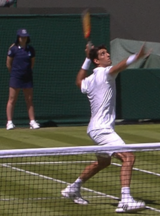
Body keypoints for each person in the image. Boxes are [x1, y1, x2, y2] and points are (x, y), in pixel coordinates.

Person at [61, 43, 149, 213]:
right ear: (97, 60)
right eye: (103, 54)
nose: (108, 55)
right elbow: (119, 66)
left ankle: (73, 188)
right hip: (102, 130)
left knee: (103, 162)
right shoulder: (104, 73)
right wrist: (135, 57)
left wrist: (86, 59)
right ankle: (125, 200)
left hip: (95, 129)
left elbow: (78, 81)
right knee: (128, 158)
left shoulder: (90, 79)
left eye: (107, 53)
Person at [6, 28, 40, 130]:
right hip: (15, 77)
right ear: (18, 38)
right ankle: (9, 122)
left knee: (29, 100)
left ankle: (32, 121)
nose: (23, 39)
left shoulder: (31, 50)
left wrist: (26, 73)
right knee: (12, 99)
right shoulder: (13, 49)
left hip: (27, 77)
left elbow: (31, 63)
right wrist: (14, 73)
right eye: (22, 37)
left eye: (25, 37)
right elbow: (8, 64)